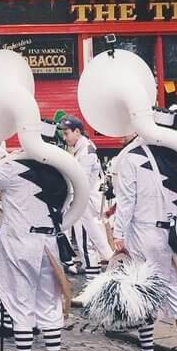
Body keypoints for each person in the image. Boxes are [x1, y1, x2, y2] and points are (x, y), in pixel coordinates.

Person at [0, 121, 77, 351]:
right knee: (48, 304)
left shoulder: (13, 166)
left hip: (22, 242)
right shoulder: (62, 167)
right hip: (50, 244)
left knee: (22, 305)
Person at [110, 125, 177, 351]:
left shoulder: (132, 158)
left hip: (145, 233)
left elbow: (127, 201)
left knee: (145, 291)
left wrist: (118, 234)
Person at [59, 117, 113, 276]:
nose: (64, 137)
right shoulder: (81, 148)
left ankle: (92, 276)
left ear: (77, 132)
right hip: (85, 201)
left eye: (66, 133)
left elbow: (81, 181)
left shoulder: (86, 152)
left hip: (85, 201)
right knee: (91, 239)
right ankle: (95, 270)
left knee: (86, 239)